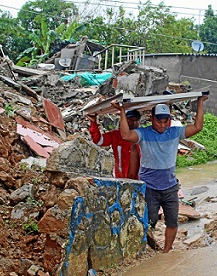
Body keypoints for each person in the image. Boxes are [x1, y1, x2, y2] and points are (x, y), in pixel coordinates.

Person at [111, 95, 209, 253]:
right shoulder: (143, 133)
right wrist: (122, 111)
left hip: (170, 186)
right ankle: (145, 248)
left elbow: (197, 127)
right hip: (149, 186)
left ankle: (166, 252)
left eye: (166, 121)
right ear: (151, 118)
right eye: (159, 121)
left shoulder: (175, 132)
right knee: (150, 220)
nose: (162, 125)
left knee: (172, 222)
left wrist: (200, 103)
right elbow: (126, 135)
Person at [86, 109, 141, 179]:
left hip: (141, 180)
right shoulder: (116, 135)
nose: (133, 122)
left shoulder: (143, 136)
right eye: (130, 120)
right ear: (124, 120)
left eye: (136, 120)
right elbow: (98, 140)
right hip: (121, 178)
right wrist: (93, 123)